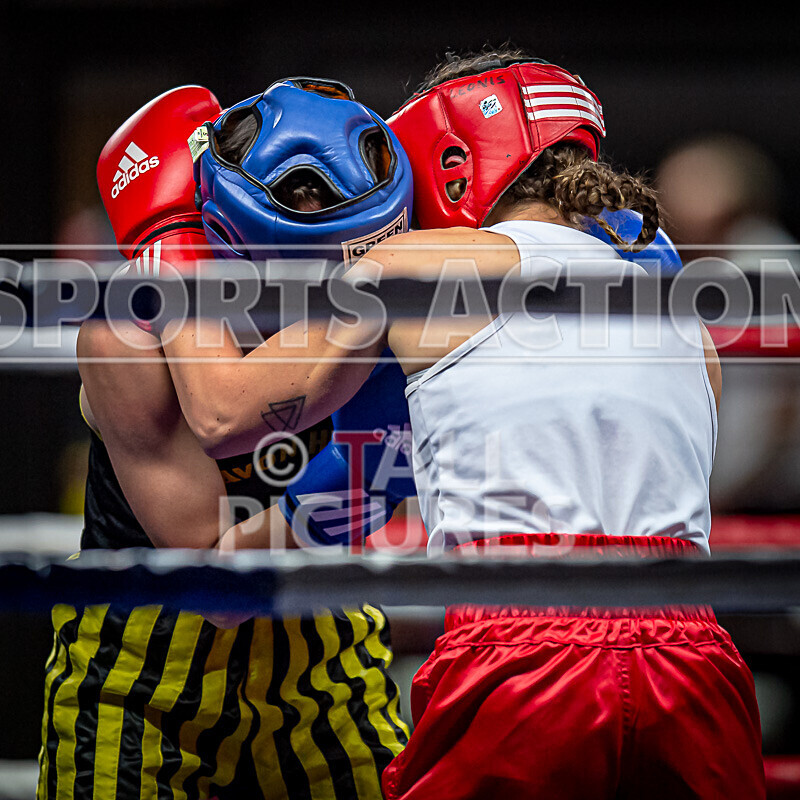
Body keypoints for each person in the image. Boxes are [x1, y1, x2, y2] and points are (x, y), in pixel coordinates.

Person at [157, 50, 766, 799]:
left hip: (523, 651)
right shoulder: (683, 316)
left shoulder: (419, 265)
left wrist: (168, 231)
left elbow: (222, 412)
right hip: (696, 659)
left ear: (449, 160)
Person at [39, 80, 413, 800]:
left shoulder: (394, 302)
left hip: (327, 656)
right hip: (144, 675)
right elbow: (217, 588)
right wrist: (364, 478)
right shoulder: (129, 332)